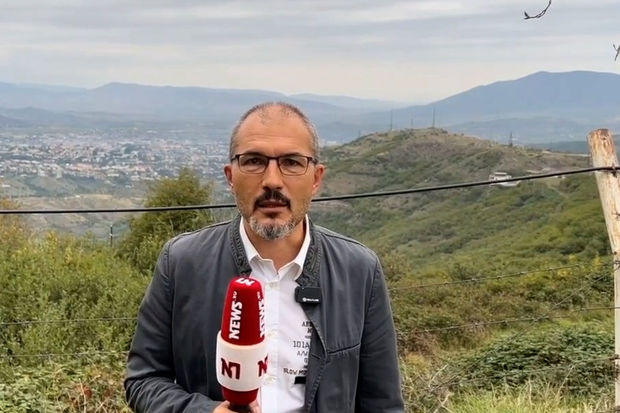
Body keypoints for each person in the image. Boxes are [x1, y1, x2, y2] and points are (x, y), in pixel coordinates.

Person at [124, 102, 404, 412]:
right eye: (254, 161)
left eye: (292, 162)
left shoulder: (359, 271)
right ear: (231, 176)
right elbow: (143, 380)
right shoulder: (182, 263)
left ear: (316, 178)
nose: (272, 180)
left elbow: (383, 404)